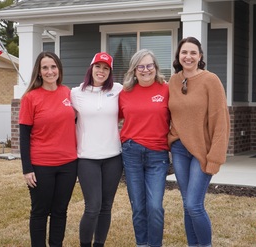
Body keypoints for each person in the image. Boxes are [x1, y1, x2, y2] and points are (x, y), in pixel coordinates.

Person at [167, 37, 230, 247]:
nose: (188, 56)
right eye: (184, 52)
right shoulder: (173, 81)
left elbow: (221, 122)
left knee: (194, 205)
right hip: (178, 149)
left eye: (193, 53)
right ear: (178, 56)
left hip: (201, 151)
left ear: (200, 56)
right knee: (187, 205)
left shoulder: (211, 80)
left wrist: (216, 158)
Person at [19, 51, 78, 247]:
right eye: (45, 67)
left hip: (69, 164)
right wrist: (27, 168)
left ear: (59, 69)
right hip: (41, 165)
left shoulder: (68, 93)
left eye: (53, 67)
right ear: (39, 72)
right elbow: (24, 135)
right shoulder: (30, 98)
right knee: (40, 211)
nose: (50, 71)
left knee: (60, 210)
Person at [70, 52, 123, 247]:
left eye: (106, 68)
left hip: (113, 158)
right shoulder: (76, 93)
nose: (101, 71)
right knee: (93, 207)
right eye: (98, 67)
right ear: (91, 68)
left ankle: (99, 244)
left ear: (110, 72)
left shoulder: (118, 90)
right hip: (87, 158)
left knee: (106, 206)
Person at [119, 49, 170, 247]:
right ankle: (142, 243)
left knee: (155, 206)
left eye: (149, 66)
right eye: (141, 66)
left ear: (156, 68)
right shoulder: (124, 93)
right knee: (138, 207)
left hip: (158, 155)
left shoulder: (166, 89)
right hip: (131, 153)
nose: (145, 70)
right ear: (134, 70)